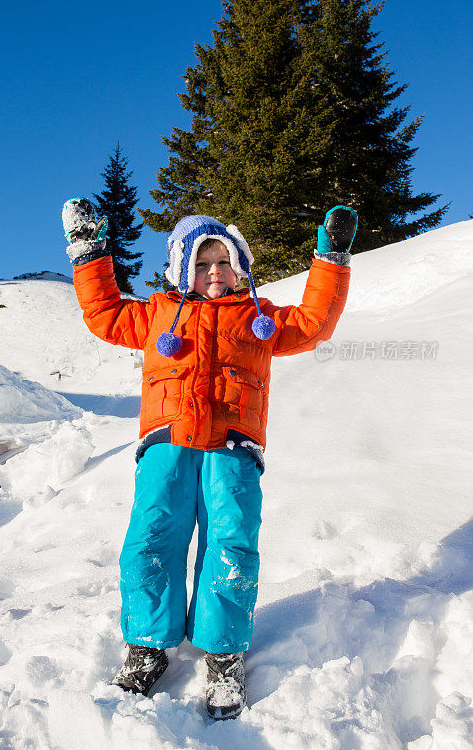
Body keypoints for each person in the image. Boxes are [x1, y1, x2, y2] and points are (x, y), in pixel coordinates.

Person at [62, 200, 357, 719]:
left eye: (222, 261)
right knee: (152, 538)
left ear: (239, 266)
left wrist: (330, 259)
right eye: (201, 264)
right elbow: (104, 313)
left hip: (233, 449)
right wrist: (90, 253)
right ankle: (148, 644)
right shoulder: (156, 314)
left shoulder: (259, 319)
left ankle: (223, 655)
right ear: (182, 269)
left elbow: (313, 322)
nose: (214, 272)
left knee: (231, 544)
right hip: (167, 444)